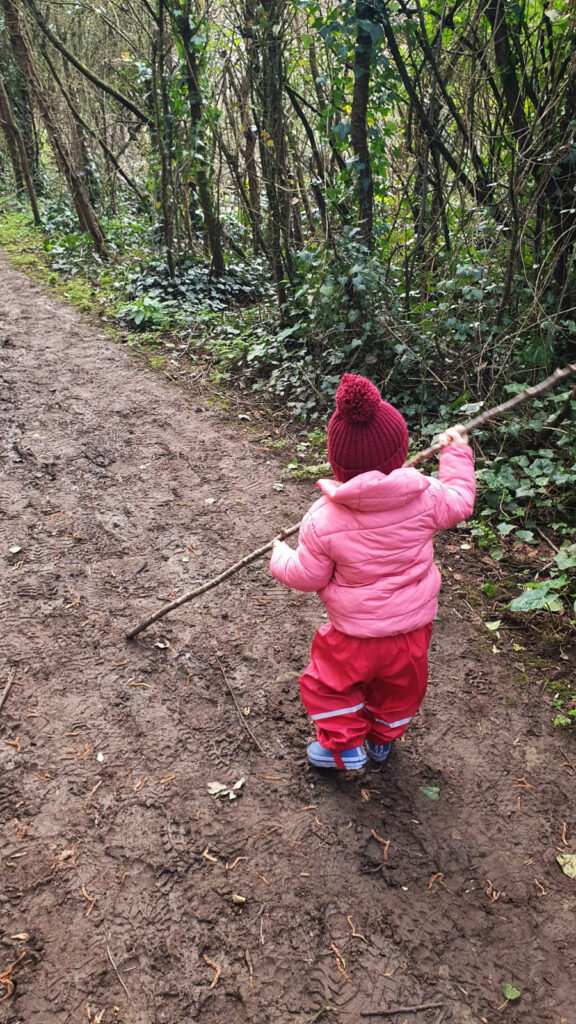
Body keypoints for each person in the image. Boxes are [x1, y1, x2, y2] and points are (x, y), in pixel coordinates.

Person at [269, 373, 476, 771]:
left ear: (336, 461)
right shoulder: (428, 495)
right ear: (402, 452)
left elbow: (308, 576)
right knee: (400, 688)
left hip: (353, 636)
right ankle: (382, 740)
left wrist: (280, 555)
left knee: (331, 685)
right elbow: (461, 501)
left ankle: (345, 747)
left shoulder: (321, 519)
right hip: (412, 631)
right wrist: (456, 454)